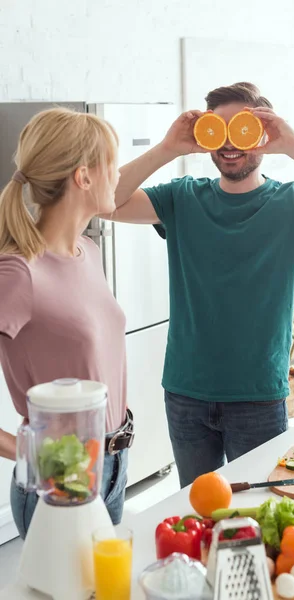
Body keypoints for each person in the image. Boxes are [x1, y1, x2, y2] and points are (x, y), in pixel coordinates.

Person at [109, 82, 294, 488]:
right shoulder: (181, 199)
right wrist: (167, 149)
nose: (230, 143)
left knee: (255, 509)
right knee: (197, 507)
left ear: (263, 135)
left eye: (243, 129)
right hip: (187, 393)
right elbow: (100, 200)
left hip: (258, 395)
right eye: (219, 129)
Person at [0, 107, 134, 539]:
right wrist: (29, 452)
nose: (118, 176)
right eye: (111, 164)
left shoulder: (88, 251)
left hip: (114, 465)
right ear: (83, 177)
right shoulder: (19, 272)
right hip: (59, 479)